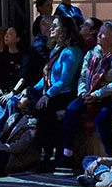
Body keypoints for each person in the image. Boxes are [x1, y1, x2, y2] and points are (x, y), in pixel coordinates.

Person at [59, 22, 112, 162]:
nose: (99, 35)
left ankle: (111, 157)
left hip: (109, 97)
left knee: (103, 119)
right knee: (72, 109)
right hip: (89, 93)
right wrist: (83, 92)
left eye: (103, 34)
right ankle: (67, 153)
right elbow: (83, 76)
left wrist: (97, 94)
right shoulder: (92, 53)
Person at [34, 16, 85, 171]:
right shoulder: (56, 50)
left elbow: (64, 80)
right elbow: (47, 76)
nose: (52, 28)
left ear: (65, 30)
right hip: (52, 91)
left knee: (43, 108)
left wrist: (47, 95)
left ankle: (48, 153)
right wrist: (33, 90)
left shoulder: (71, 52)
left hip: (65, 93)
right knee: (28, 96)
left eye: (56, 26)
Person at [0, 88, 41, 178]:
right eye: (20, 95)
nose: (19, 98)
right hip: (3, 149)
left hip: (15, 156)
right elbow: (1, 138)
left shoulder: (32, 122)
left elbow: (18, 147)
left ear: (31, 100)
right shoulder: (14, 116)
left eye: (24, 96)